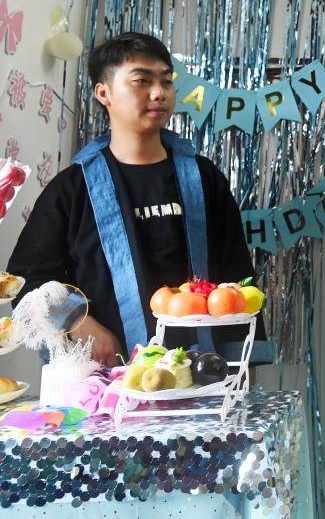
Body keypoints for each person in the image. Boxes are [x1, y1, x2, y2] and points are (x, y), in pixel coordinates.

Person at [8, 33, 272, 366]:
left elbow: (236, 278)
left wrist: (243, 368)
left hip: (205, 378)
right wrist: (78, 322)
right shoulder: (72, 189)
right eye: (142, 81)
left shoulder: (205, 179)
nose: (159, 93)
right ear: (103, 93)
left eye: (166, 81)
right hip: (104, 379)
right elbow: (26, 282)